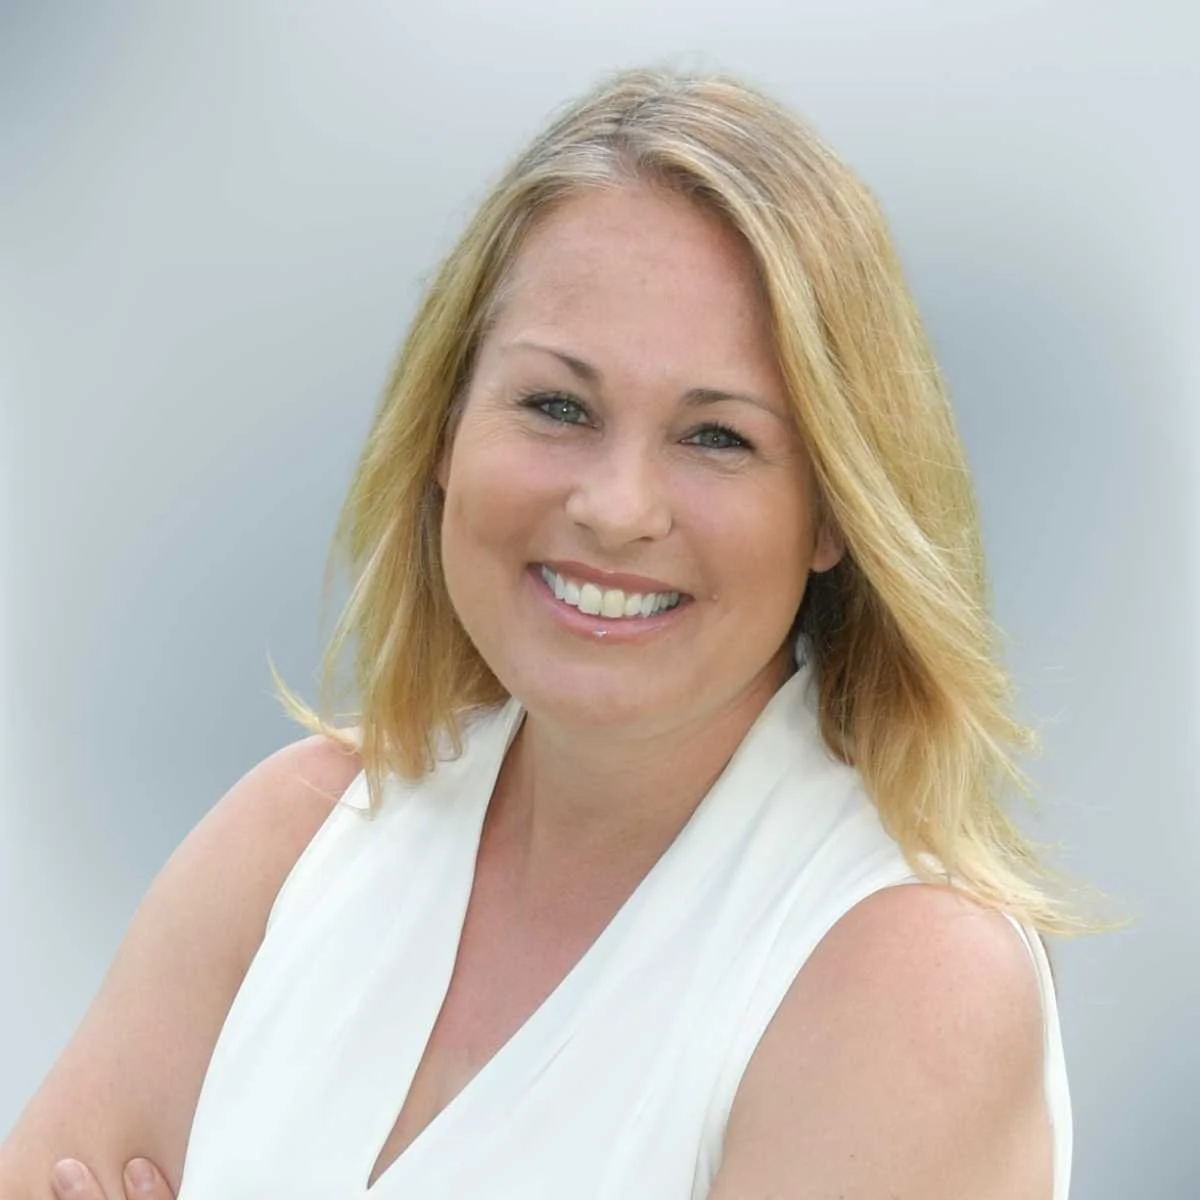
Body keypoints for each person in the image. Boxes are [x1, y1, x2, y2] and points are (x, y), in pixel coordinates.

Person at [1, 66, 1090, 1200]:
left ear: (832, 512)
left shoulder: (909, 979)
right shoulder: (293, 839)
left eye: (717, 437)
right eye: (558, 407)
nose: (618, 508)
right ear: (443, 432)